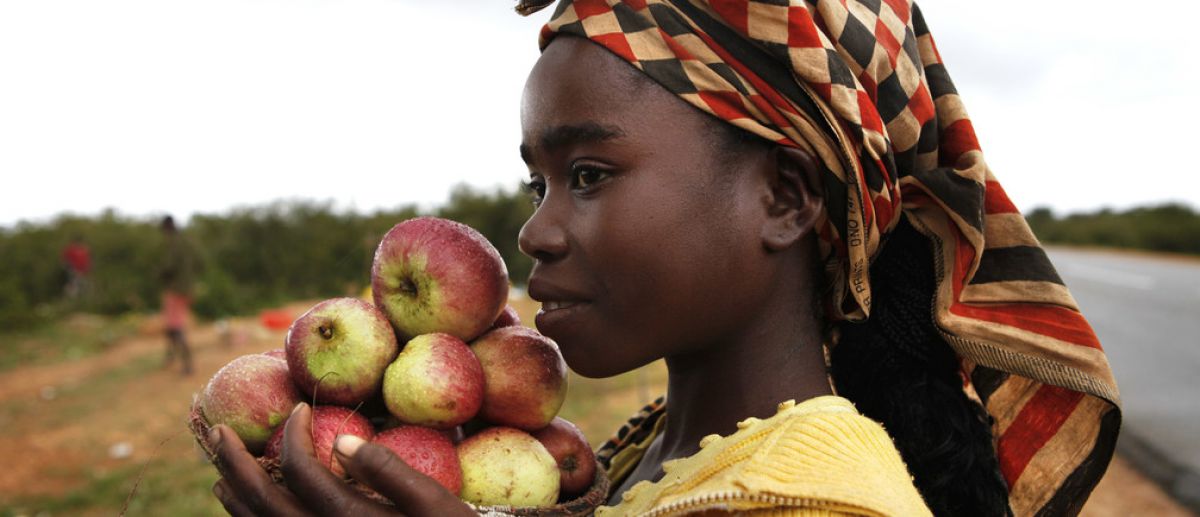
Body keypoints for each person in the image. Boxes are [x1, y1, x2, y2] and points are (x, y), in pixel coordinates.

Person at [206, 1, 1121, 515]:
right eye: (539, 183)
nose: (535, 232)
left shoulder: (821, 500)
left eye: (590, 173)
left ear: (786, 198)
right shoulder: (649, 453)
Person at [160, 215, 198, 376]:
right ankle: (170, 356)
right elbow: (198, 263)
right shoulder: (187, 242)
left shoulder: (174, 243)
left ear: (167, 227)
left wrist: (160, 274)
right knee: (171, 325)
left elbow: (169, 267)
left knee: (176, 326)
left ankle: (187, 364)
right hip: (187, 289)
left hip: (176, 290)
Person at [60, 235, 92, 300]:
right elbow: (65, 261)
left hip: (83, 272)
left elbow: (88, 261)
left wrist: (87, 269)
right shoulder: (70, 250)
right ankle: (72, 300)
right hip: (73, 271)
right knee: (74, 285)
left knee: (84, 285)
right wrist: (71, 270)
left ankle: (82, 300)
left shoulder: (84, 250)